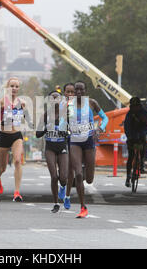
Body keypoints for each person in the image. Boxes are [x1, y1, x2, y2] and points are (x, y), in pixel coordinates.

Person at [68, 81, 108, 218]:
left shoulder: (92, 103)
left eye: (81, 90)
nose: (78, 92)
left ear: (85, 90)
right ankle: (82, 207)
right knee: (78, 174)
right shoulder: (69, 105)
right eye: (76, 90)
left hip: (89, 141)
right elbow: (63, 121)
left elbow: (105, 118)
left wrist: (100, 129)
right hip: (75, 142)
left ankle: (88, 176)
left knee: (89, 179)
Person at [0, 77, 32, 203]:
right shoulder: (1, 102)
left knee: (17, 161)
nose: (14, 88)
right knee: (2, 168)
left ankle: (17, 193)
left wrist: (31, 125)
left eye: (16, 86)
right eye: (12, 86)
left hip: (16, 135)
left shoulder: (22, 103)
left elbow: (27, 117)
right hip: (3, 136)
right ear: (7, 87)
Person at [36, 90, 68, 213]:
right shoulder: (45, 115)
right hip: (50, 148)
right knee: (54, 176)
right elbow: (38, 134)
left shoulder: (66, 115)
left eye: (57, 97)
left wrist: (65, 131)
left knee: (63, 177)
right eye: (52, 98)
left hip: (62, 147)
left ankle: (63, 187)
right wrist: (46, 128)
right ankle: (56, 203)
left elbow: (71, 131)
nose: (54, 99)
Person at [124, 97, 147, 188]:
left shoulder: (145, 113)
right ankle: (128, 176)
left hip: (142, 136)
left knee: (143, 150)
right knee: (131, 156)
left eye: (137, 106)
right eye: (133, 106)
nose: (135, 108)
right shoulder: (129, 114)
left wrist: (145, 123)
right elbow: (126, 127)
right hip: (132, 136)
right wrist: (130, 136)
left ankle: (141, 164)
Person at [63, 82, 76, 210]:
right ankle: (62, 184)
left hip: (74, 138)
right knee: (62, 169)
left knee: (71, 168)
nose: (70, 94)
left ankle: (67, 196)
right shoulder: (59, 105)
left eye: (73, 92)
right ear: (64, 93)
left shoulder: (79, 106)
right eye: (68, 92)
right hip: (60, 138)